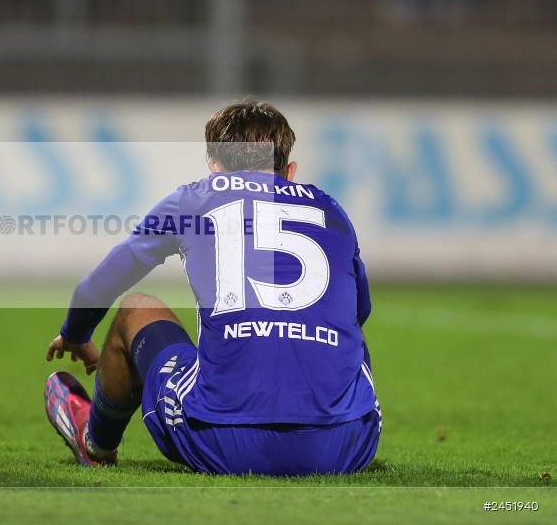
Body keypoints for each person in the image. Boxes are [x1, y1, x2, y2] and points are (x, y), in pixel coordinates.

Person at [44, 101, 380, 476]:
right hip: (345, 447)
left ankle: (97, 442)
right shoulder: (331, 209)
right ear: (289, 171)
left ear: (213, 165)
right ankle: (330, 421)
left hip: (223, 444)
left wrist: (75, 333)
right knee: (349, 329)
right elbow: (359, 313)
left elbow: (100, 283)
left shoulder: (193, 199)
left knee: (136, 307)